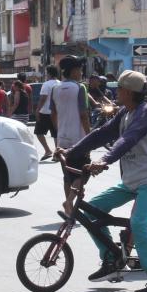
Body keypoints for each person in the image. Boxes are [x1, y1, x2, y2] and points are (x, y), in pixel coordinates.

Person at [65, 70, 147, 292]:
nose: (117, 92)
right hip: (134, 179)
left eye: (120, 89)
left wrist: (104, 160)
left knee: (138, 222)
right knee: (93, 211)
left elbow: (128, 139)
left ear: (129, 92)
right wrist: (72, 151)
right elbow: (102, 133)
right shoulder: (126, 112)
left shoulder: (144, 113)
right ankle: (111, 259)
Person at [51, 57, 90, 213]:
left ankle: (70, 210)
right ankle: (69, 202)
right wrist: (89, 136)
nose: (81, 73)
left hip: (62, 139)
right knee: (84, 173)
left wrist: (60, 129)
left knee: (68, 175)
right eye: (80, 69)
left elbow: (53, 113)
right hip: (79, 139)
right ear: (74, 71)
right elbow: (84, 115)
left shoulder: (55, 89)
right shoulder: (80, 88)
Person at [35, 65, 60, 160]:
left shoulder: (46, 84)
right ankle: (57, 153)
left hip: (45, 112)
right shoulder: (60, 83)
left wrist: (37, 110)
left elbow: (43, 99)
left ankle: (48, 150)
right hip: (57, 112)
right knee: (56, 134)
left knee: (39, 132)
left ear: (49, 73)